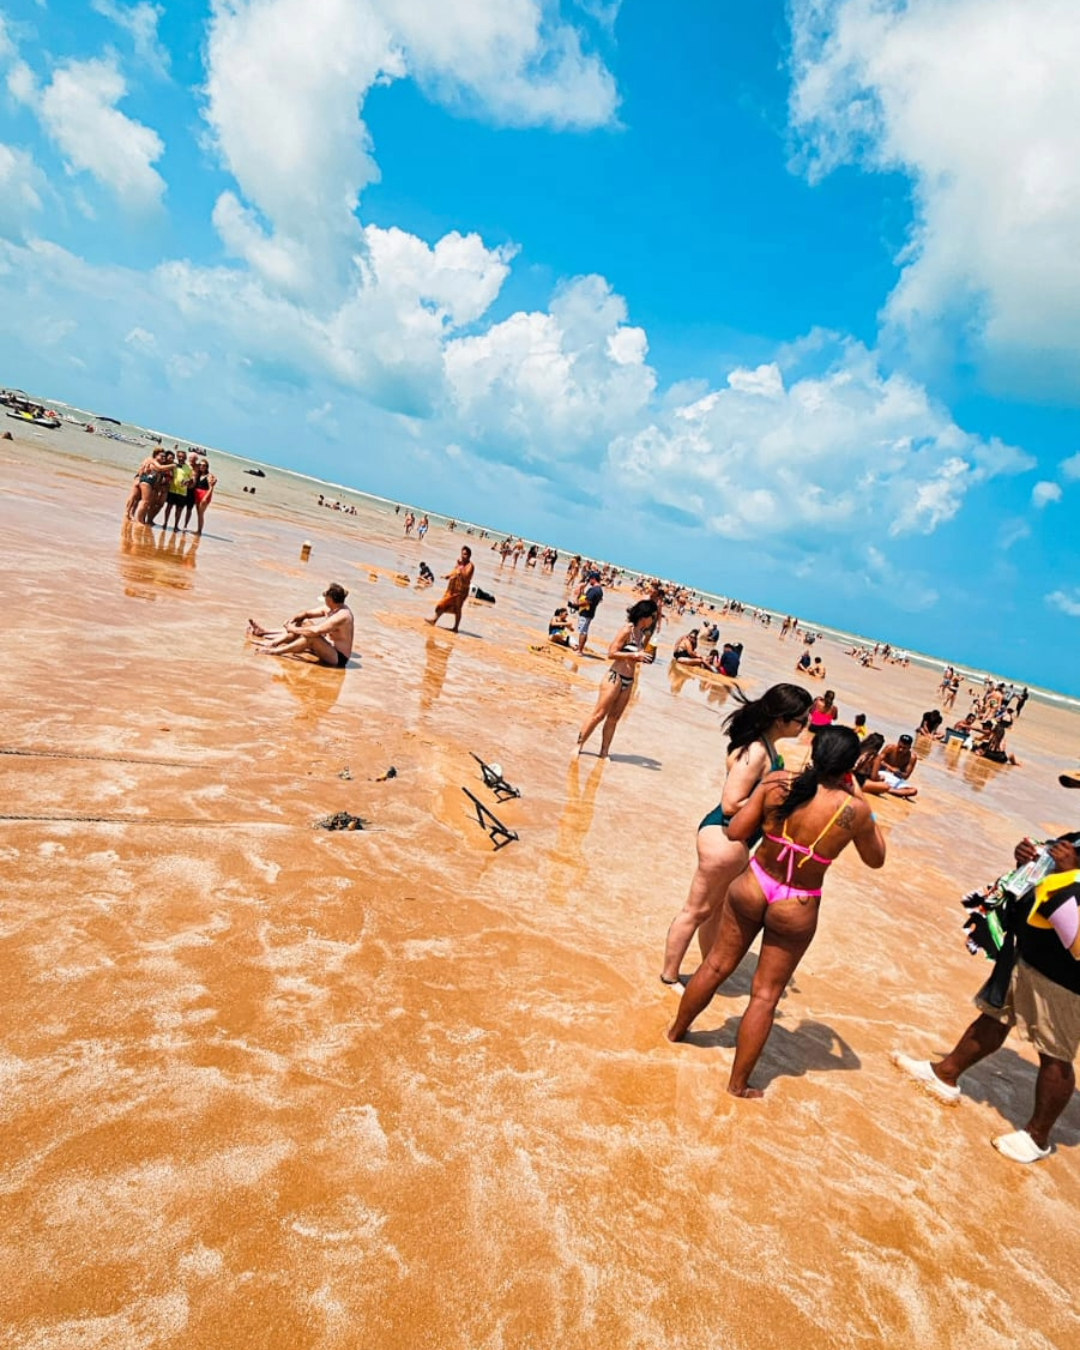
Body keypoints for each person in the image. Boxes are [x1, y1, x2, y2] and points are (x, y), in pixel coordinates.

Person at [667, 726, 885, 1096]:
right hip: (797, 902)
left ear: (814, 751)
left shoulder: (778, 783)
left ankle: (675, 1033)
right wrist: (859, 791)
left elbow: (736, 830)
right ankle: (738, 1085)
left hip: (753, 883)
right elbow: (876, 859)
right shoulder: (855, 811)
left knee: (716, 965)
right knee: (766, 996)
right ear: (852, 765)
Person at [892, 818, 1080, 1163]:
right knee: (994, 1017)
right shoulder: (1074, 839)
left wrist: (1067, 874)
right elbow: (1037, 886)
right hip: (1028, 956)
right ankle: (945, 1074)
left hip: (1065, 979)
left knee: (1055, 1053)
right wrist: (1028, 862)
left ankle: (1038, 1137)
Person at [661, 683, 814, 986]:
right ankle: (669, 976)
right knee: (696, 910)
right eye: (801, 719)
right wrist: (772, 804)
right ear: (782, 719)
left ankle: (707, 971)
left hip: (730, 837)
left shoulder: (766, 748)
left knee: (714, 912)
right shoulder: (757, 751)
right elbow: (731, 802)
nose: (805, 725)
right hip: (724, 835)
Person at [576, 600, 657, 758]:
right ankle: (578, 746)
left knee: (614, 718)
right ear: (645, 616)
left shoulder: (642, 634)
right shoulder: (628, 629)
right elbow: (611, 653)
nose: (653, 621)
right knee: (599, 714)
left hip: (628, 680)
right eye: (652, 617)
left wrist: (642, 658)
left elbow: (634, 656)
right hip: (615, 676)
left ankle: (604, 752)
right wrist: (634, 654)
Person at [247, 584, 355, 667]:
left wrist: (292, 629)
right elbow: (307, 614)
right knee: (304, 622)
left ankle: (275, 650)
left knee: (312, 638)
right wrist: (294, 620)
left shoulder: (343, 615)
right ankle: (265, 633)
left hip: (338, 657)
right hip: (328, 646)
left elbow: (315, 632)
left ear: (330, 600)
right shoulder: (332, 608)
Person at [427, 546, 474, 633]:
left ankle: (455, 627)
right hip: (452, 589)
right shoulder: (460, 564)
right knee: (443, 604)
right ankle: (434, 620)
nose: (463, 556)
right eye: (462, 554)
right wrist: (447, 576)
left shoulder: (470, 566)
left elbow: (466, 577)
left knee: (457, 609)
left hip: (460, 591)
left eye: (465, 554)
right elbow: (454, 573)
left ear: (469, 555)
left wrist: (461, 566)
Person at [162, 450, 195, 531]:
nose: (181, 458)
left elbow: (192, 479)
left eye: (183, 457)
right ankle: (165, 523)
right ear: (177, 457)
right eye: (179, 456)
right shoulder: (173, 465)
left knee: (179, 510)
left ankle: (176, 526)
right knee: (168, 507)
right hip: (172, 490)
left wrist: (188, 481)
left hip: (182, 492)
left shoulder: (189, 468)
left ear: (186, 458)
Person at [573, 570, 604, 653]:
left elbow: (587, 601)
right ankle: (580, 647)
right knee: (585, 630)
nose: (589, 580)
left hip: (586, 612)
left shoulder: (594, 590)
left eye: (590, 579)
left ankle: (580, 650)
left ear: (594, 579)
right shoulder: (600, 590)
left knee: (582, 631)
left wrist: (576, 604)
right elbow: (594, 600)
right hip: (591, 612)